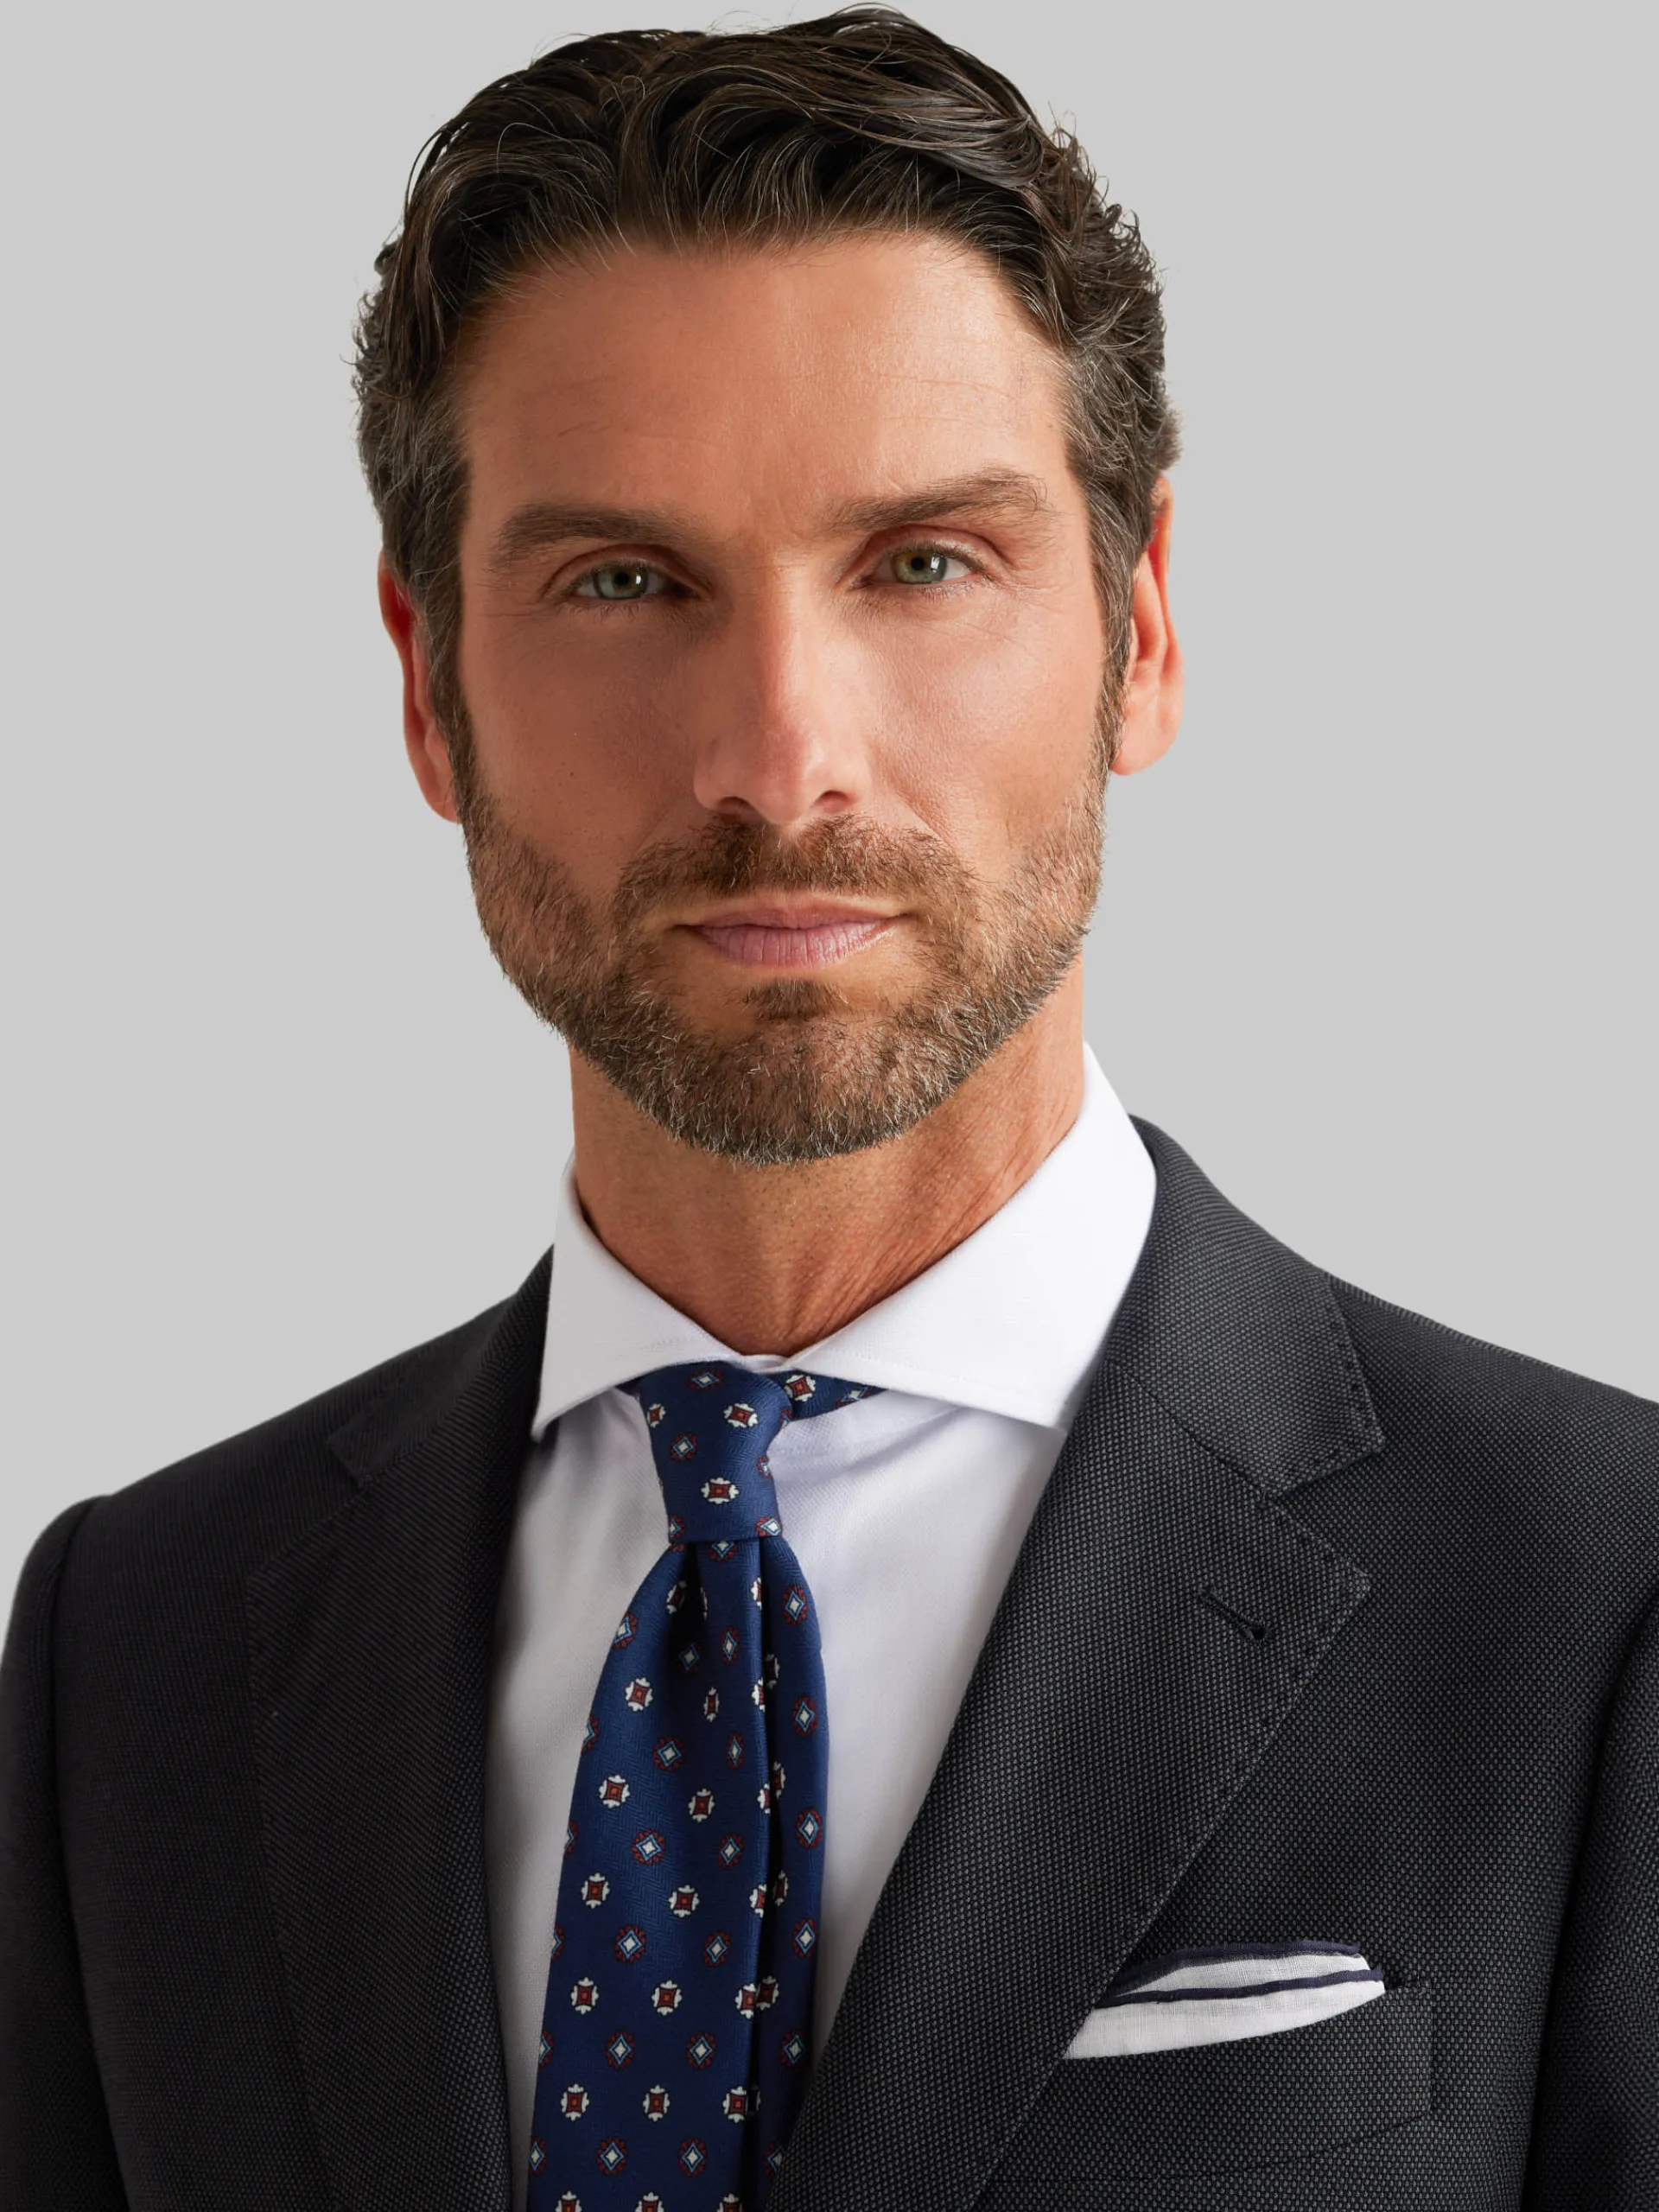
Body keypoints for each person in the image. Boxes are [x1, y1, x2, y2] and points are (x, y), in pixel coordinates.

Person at [3, 9, 1655, 2208]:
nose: (780, 760)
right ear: (427, 683)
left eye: (923, 563)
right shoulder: (134, 1648)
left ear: (1142, 626)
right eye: (623, 582)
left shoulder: (1599, 1594)